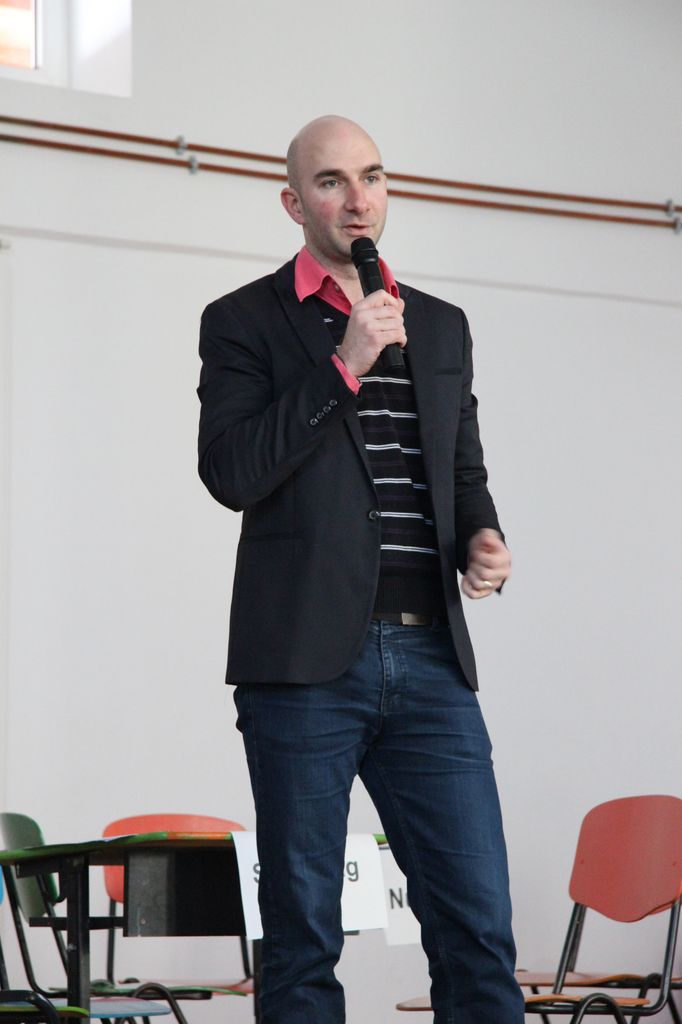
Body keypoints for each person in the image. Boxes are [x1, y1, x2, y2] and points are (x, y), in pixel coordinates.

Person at [197, 115, 525, 1024]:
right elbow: (231, 472)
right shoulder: (243, 321)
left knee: (478, 927)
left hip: (431, 659)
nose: (357, 199)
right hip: (303, 664)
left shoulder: (441, 325)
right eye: (331, 181)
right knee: (303, 936)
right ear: (293, 203)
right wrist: (344, 363)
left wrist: (483, 538)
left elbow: (461, 471)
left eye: (372, 177)